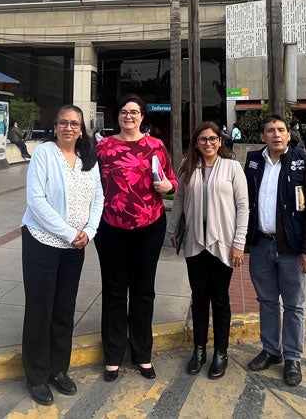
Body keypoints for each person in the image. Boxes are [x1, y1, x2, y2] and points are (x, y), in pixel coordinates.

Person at [20, 105, 104, 406]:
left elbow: (99, 198)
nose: (69, 128)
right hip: (41, 242)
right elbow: (36, 200)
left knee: (64, 311)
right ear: (55, 126)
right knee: (40, 309)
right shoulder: (44, 154)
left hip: (75, 247)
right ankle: (37, 376)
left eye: (75, 124)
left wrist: (89, 231)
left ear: (82, 129)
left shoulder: (88, 159)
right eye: (63, 123)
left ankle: (58, 369)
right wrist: (70, 232)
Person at [94, 94, 178, 381]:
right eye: (124, 112)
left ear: (142, 117)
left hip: (149, 226)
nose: (129, 116)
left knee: (143, 291)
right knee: (114, 291)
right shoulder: (103, 147)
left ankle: (142, 353)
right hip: (110, 227)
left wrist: (168, 186)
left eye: (134, 112)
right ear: (117, 116)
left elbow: (171, 181)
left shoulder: (156, 146)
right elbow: (91, 185)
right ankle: (113, 355)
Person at [243, 114, 306, 387]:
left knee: (293, 305)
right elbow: (244, 203)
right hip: (261, 245)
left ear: (289, 136)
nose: (276, 134)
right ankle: (270, 350)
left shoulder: (304, 163)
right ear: (263, 136)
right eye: (270, 131)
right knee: (267, 301)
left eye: (281, 130)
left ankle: (292, 357)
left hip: (291, 248)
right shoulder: (254, 162)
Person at [167, 122, 249, 380]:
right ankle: (199, 350)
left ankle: (221, 353)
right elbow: (179, 199)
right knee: (199, 298)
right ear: (196, 142)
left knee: (220, 299)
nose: (208, 143)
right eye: (202, 139)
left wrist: (239, 243)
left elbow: (243, 206)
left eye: (213, 139)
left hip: (222, 243)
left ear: (220, 141)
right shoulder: (188, 167)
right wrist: (173, 229)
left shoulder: (232, 167)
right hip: (195, 243)